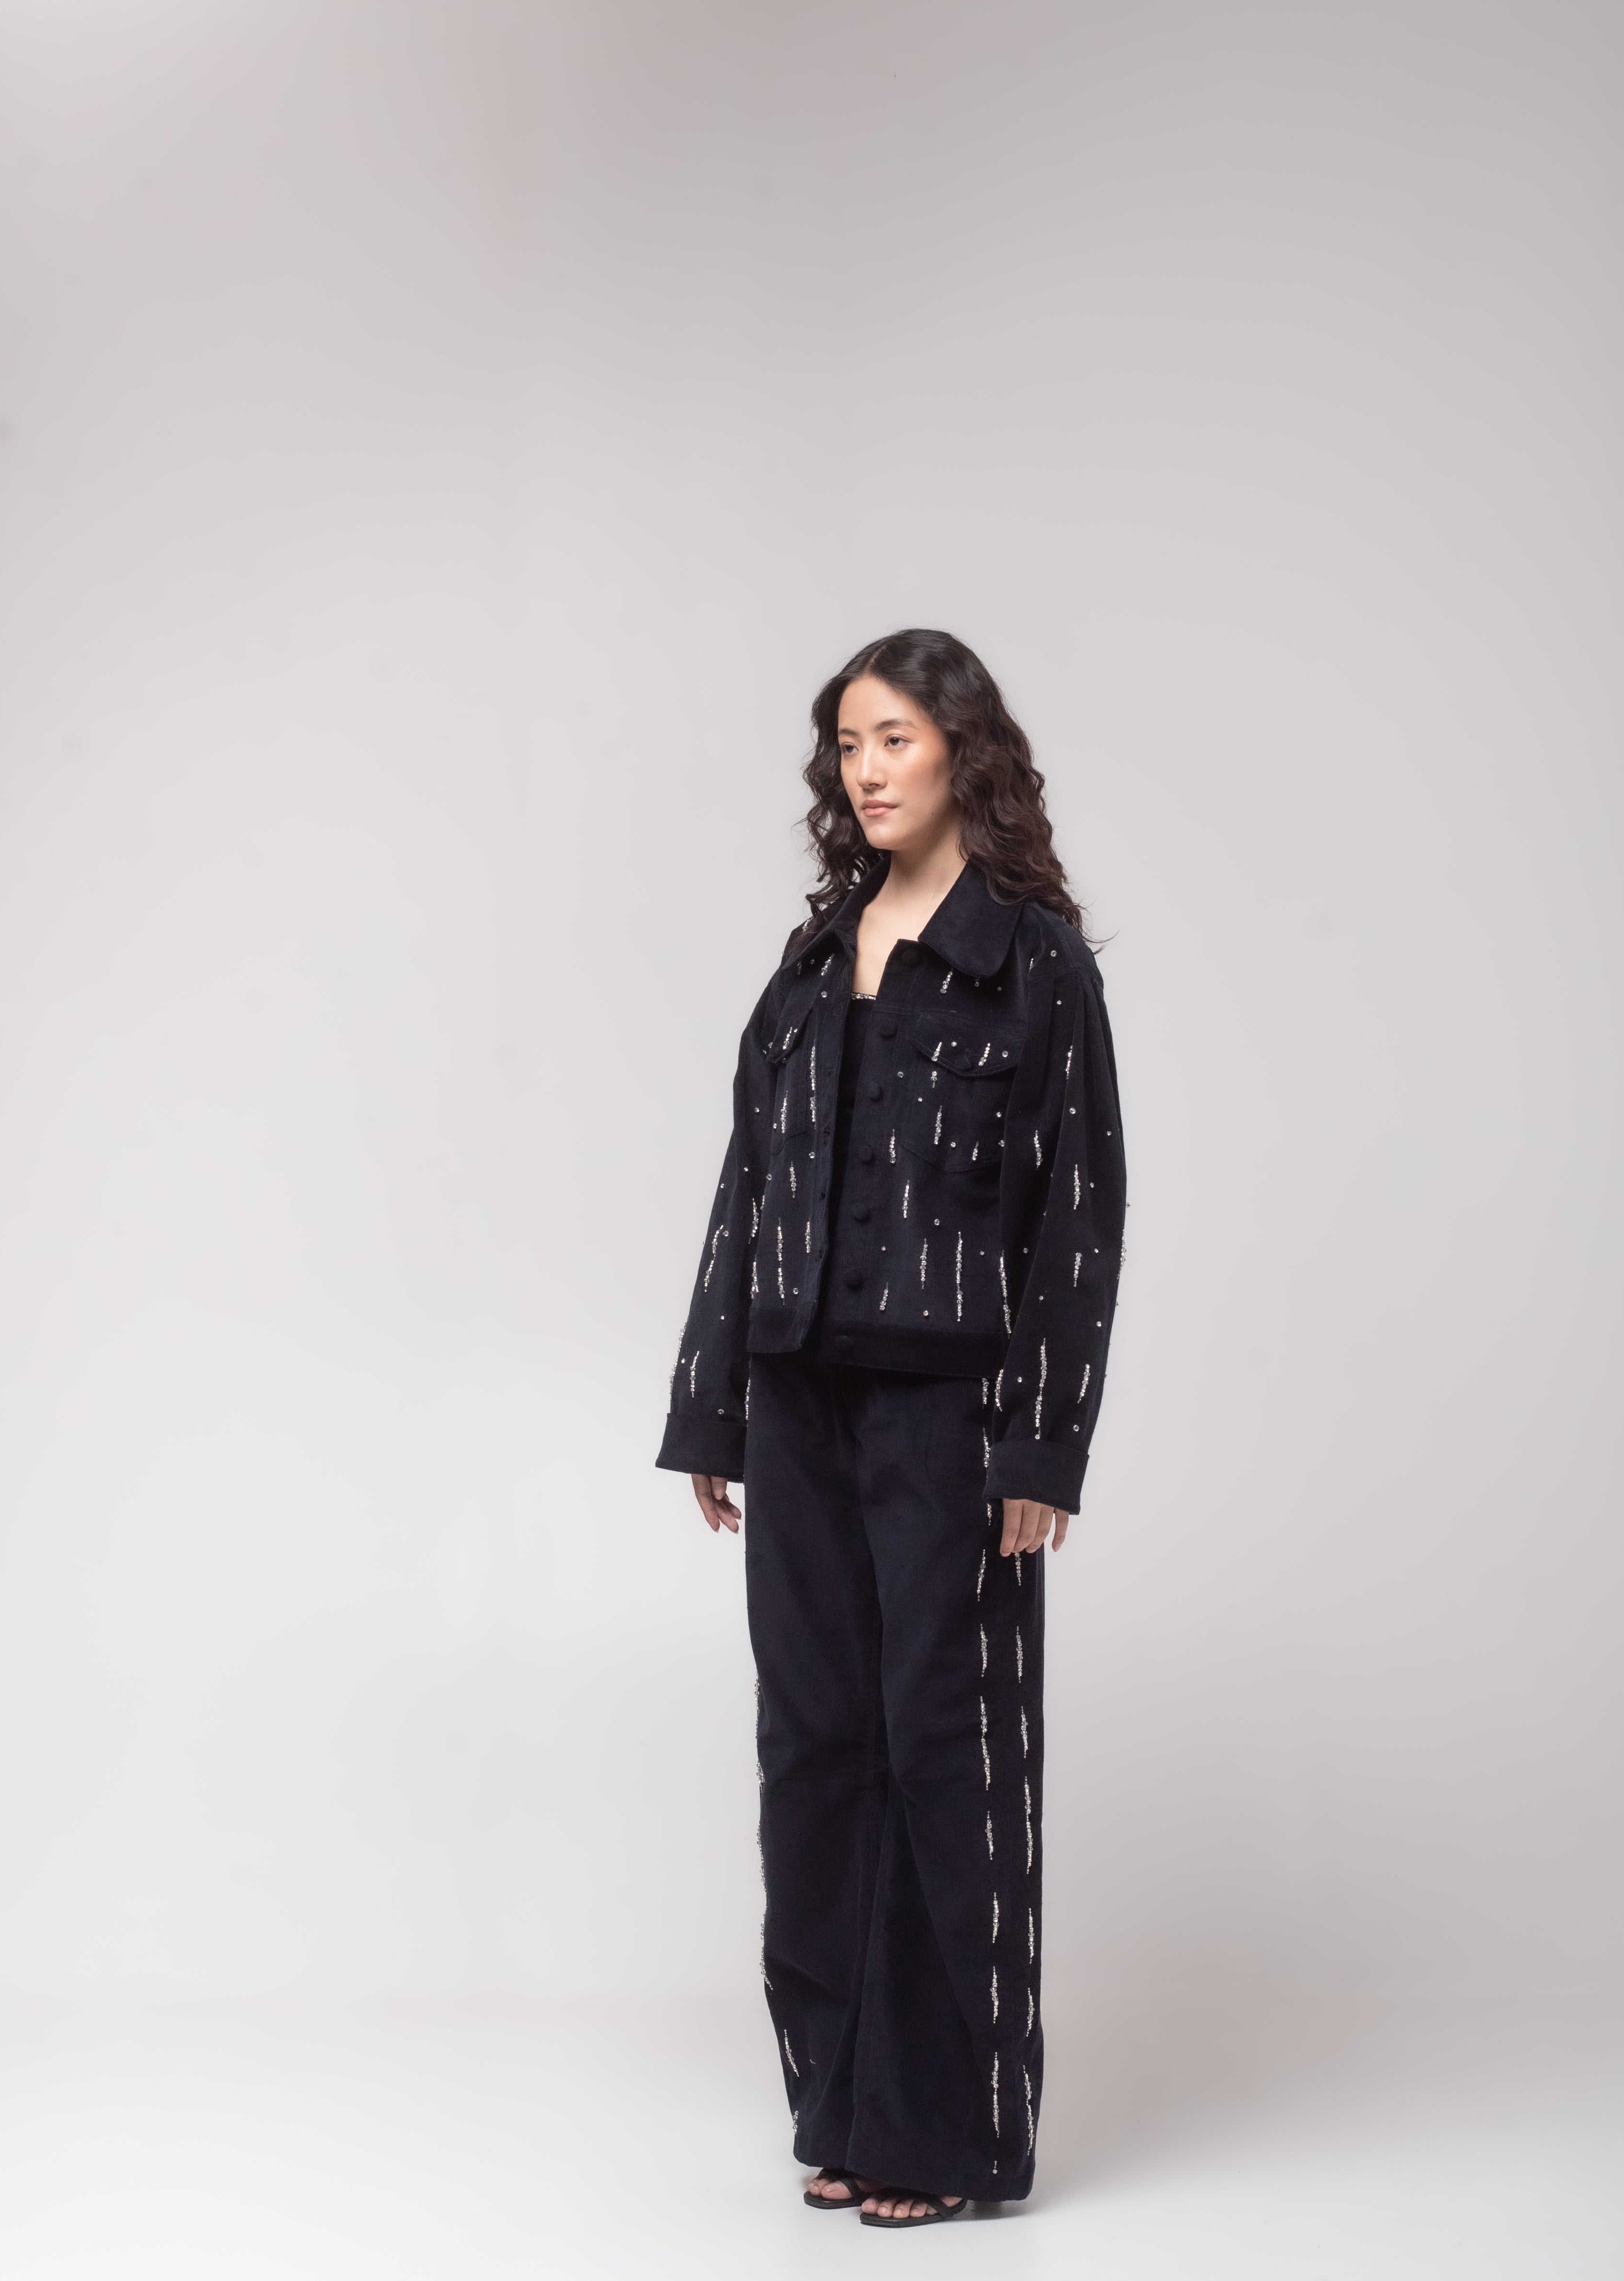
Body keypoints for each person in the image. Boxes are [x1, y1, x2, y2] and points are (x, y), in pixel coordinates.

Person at [655, 628, 1126, 2227]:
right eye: (847, 743)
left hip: (952, 1411)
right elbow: (749, 1180)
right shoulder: (811, 959)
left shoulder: (1031, 960)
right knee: (813, 1749)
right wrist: (713, 1398)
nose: (865, 769)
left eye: (895, 738)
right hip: (796, 1397)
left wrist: (1041, 1444)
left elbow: (1079, 1211)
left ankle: (951, 2133)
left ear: (962, 752)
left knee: (944, 1751)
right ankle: (844, 2105)